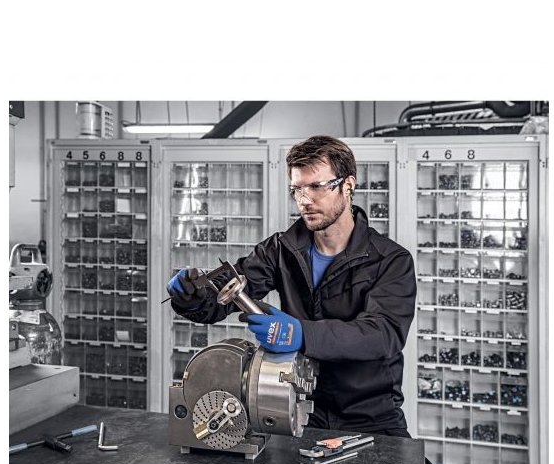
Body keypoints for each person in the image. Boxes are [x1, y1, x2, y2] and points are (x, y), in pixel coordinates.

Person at [167, 135, 417, 436]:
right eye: (296, 189)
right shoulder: (281, 250)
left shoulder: (390, 260)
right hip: (300, 409)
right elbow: (222, 298)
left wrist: (301, 334)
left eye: (316, 186)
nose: (304, 200)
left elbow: (383, 334)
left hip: (372, 416)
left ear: (348, 185)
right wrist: (191, 297)